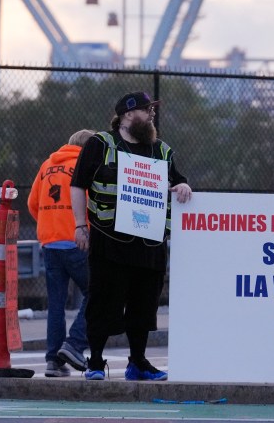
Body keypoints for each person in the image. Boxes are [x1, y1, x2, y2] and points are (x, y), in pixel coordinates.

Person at [70, 91, 192, 381]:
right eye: (145, 110)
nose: (151, 115)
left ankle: (137, 363)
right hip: (108, 241)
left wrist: (184, 186)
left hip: (149, 244)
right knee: (102, 302)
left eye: (151, 110)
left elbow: (178, 179)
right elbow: (78, 185)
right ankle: (96, 362)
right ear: (127, 115)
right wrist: (79, 225)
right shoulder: (101, 144)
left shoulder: (161, 150)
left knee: (144, 307)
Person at [27, 128, 95, 378]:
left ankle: (53, 360)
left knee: (56, 304)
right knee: (98, 293)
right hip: (77, 241)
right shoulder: (85, 165)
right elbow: (93, 203)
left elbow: (32, 203)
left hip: (50, 243)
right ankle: (74, 344)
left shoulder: (47, 165)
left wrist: (49, 224)